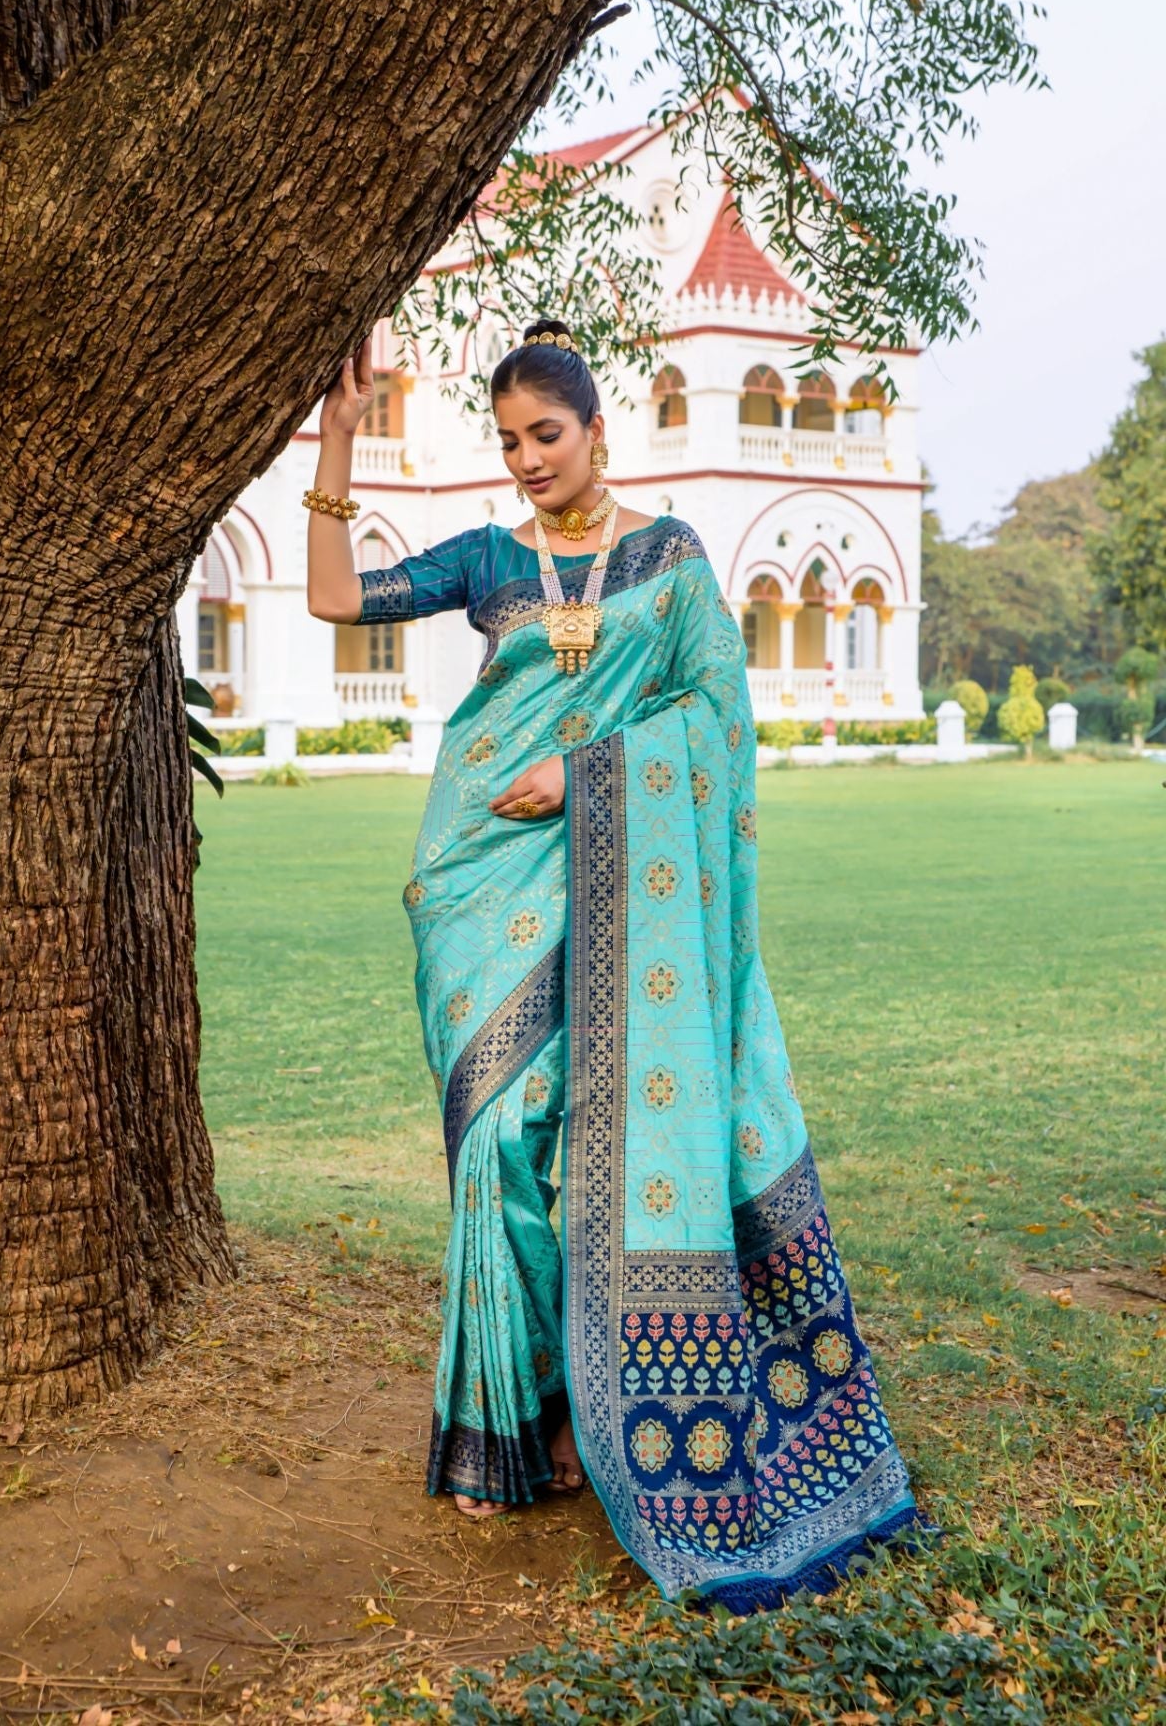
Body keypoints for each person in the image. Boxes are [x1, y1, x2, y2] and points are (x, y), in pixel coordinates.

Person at [305, 319, 940, 1610]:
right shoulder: (492, 558)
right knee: (495, 1141)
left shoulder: (671, 562)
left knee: (563, 1135)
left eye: (548, 435)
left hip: (604, 878)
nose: (530, 459)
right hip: (483, 887)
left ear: (599, 429)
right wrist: (337, 439)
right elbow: (329, 598)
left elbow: (716, 721)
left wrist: (588, 777)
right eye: (510, 442)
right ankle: (523, 1418)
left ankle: (593, 1402)